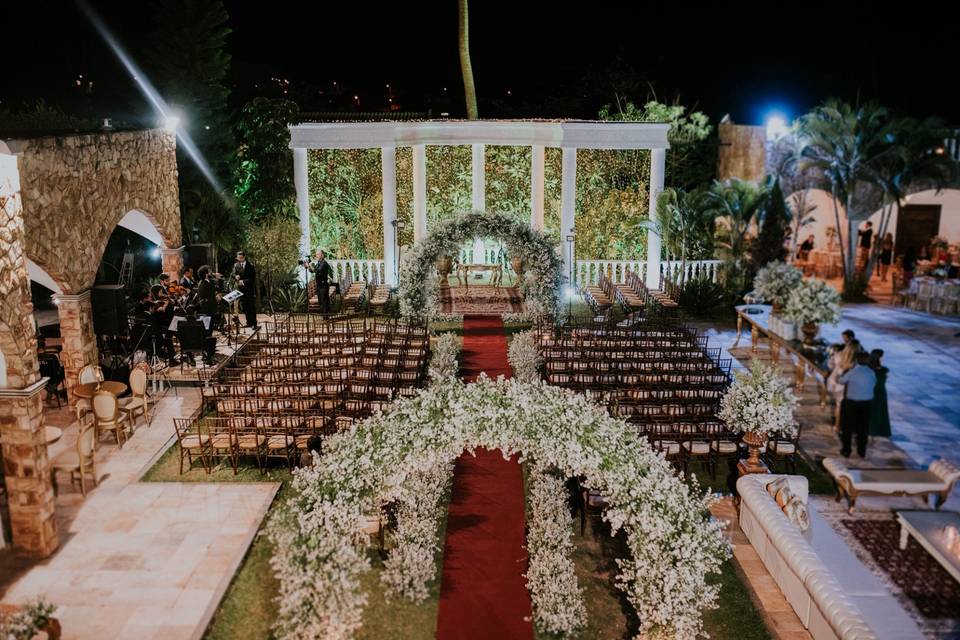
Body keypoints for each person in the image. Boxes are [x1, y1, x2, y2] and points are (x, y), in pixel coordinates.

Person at [838, 352, 877, 457]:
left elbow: (841, 381)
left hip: (851, 403)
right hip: (866, 403)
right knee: (863, 428)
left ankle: (846, 450)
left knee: (847, 428)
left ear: (856, 360)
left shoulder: (852, 372)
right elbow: (874, 383)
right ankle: (861, 451)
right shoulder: (871, 373)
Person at [828, 339, 860, 429]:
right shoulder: (856, 361)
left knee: (839, 405)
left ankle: (837, 426)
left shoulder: (838, 355)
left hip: (834, 383)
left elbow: (830, 365)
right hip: (847, 385)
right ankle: (845, 424)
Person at [232, 251, 258, 329]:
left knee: (251, 307)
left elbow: (252, 279)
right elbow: (233, 274)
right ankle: (248, 322)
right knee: (245, 307)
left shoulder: (251, 266)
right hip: (241, 290)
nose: (239, 259)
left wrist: (242, 281)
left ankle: (254, 323)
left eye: (241, 258)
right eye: (238, 258)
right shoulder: (236, 265)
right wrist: (235, 276)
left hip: (249, 290)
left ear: (244, 257)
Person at [868, 349, 891, 438]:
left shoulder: (868, 369)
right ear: (879, 358)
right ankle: (877, 430)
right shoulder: (884, 370)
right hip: (880, 393)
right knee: (879, 412)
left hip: (869, 391)